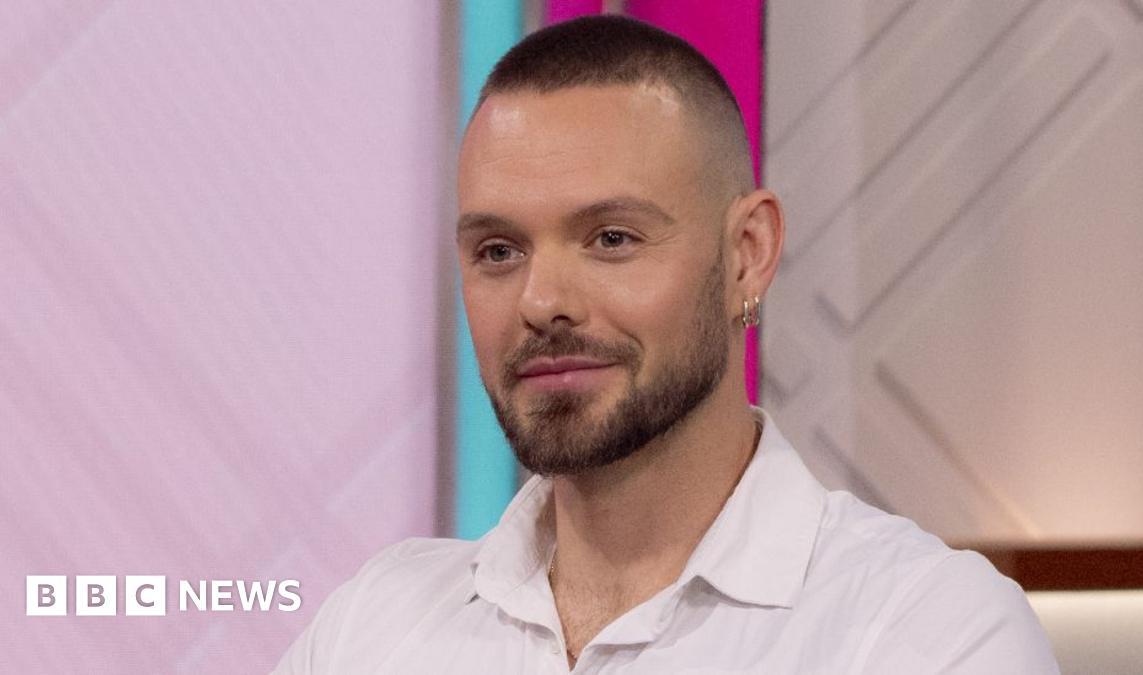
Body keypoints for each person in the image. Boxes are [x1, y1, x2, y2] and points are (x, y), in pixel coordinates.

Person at [274, 15, 1058, 673]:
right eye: (499, 252)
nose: (542, 302)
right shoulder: (370, 630)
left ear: (748, 251)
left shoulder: (924, 634)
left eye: (611, 237)